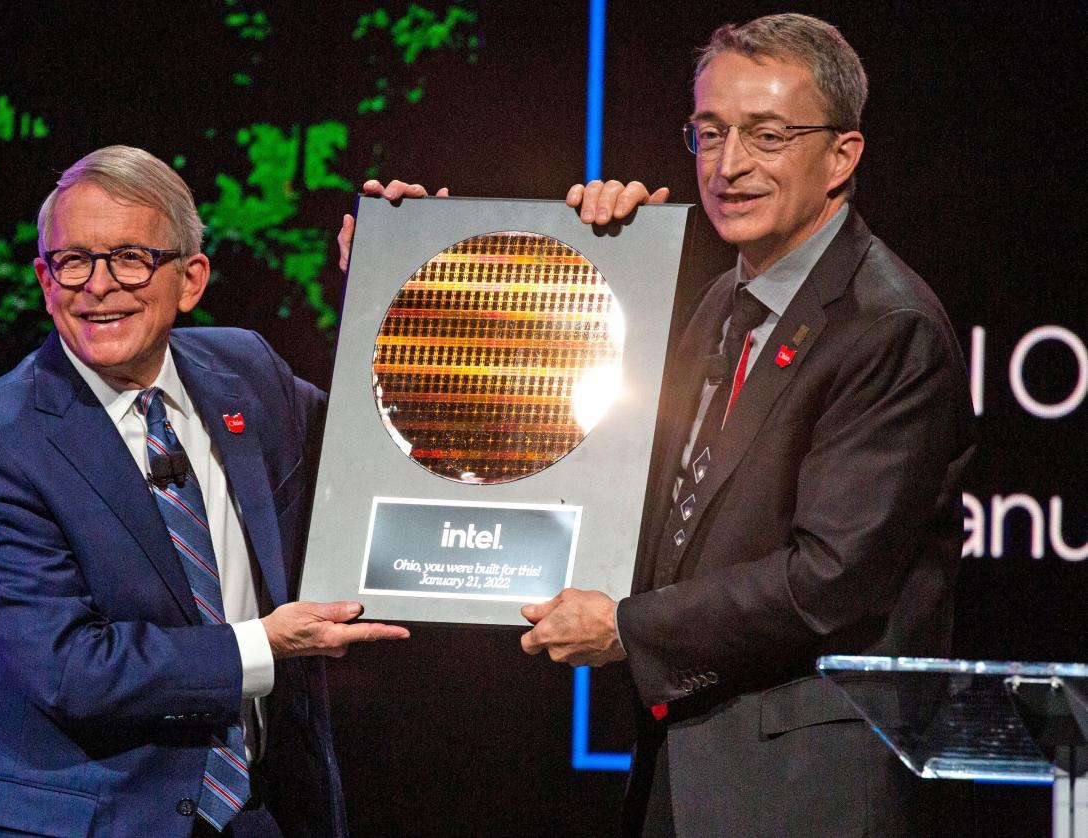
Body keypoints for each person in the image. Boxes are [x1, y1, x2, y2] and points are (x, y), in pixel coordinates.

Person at [338, 13, 973, 836]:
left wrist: (626, 630)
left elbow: (829, 583)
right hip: (692, 768)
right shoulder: (721, 303)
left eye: (768, 135)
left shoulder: (887, 327)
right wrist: (430, 273)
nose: (730, 165)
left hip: (808, 788)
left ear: (842, 156)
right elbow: (593, 462)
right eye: (710, 134)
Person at [0, 145, 408, 838]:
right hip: (83, 819)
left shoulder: (245, 370)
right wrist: (266, 645)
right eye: (73, 261)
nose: (97, 285)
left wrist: (398, 280)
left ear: (190, 279)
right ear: (44, 278)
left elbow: (374, 456)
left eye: (129, 257)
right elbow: (71, 670)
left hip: (262, 814)